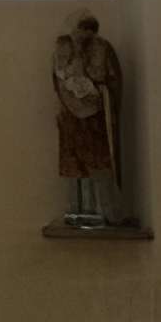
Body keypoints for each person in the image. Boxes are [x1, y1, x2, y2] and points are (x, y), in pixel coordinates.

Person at [52, 13, 128, 226]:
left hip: (96, 117)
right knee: (75, 165)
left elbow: (110, 79)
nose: (83, 36)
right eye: (79, 30)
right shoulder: (62, 48)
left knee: (99, 162)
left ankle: (104, 211)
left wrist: (97, 91)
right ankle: (79, 210)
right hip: (71, 116)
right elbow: (59, 79)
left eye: (88, 31)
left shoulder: (102, 48)